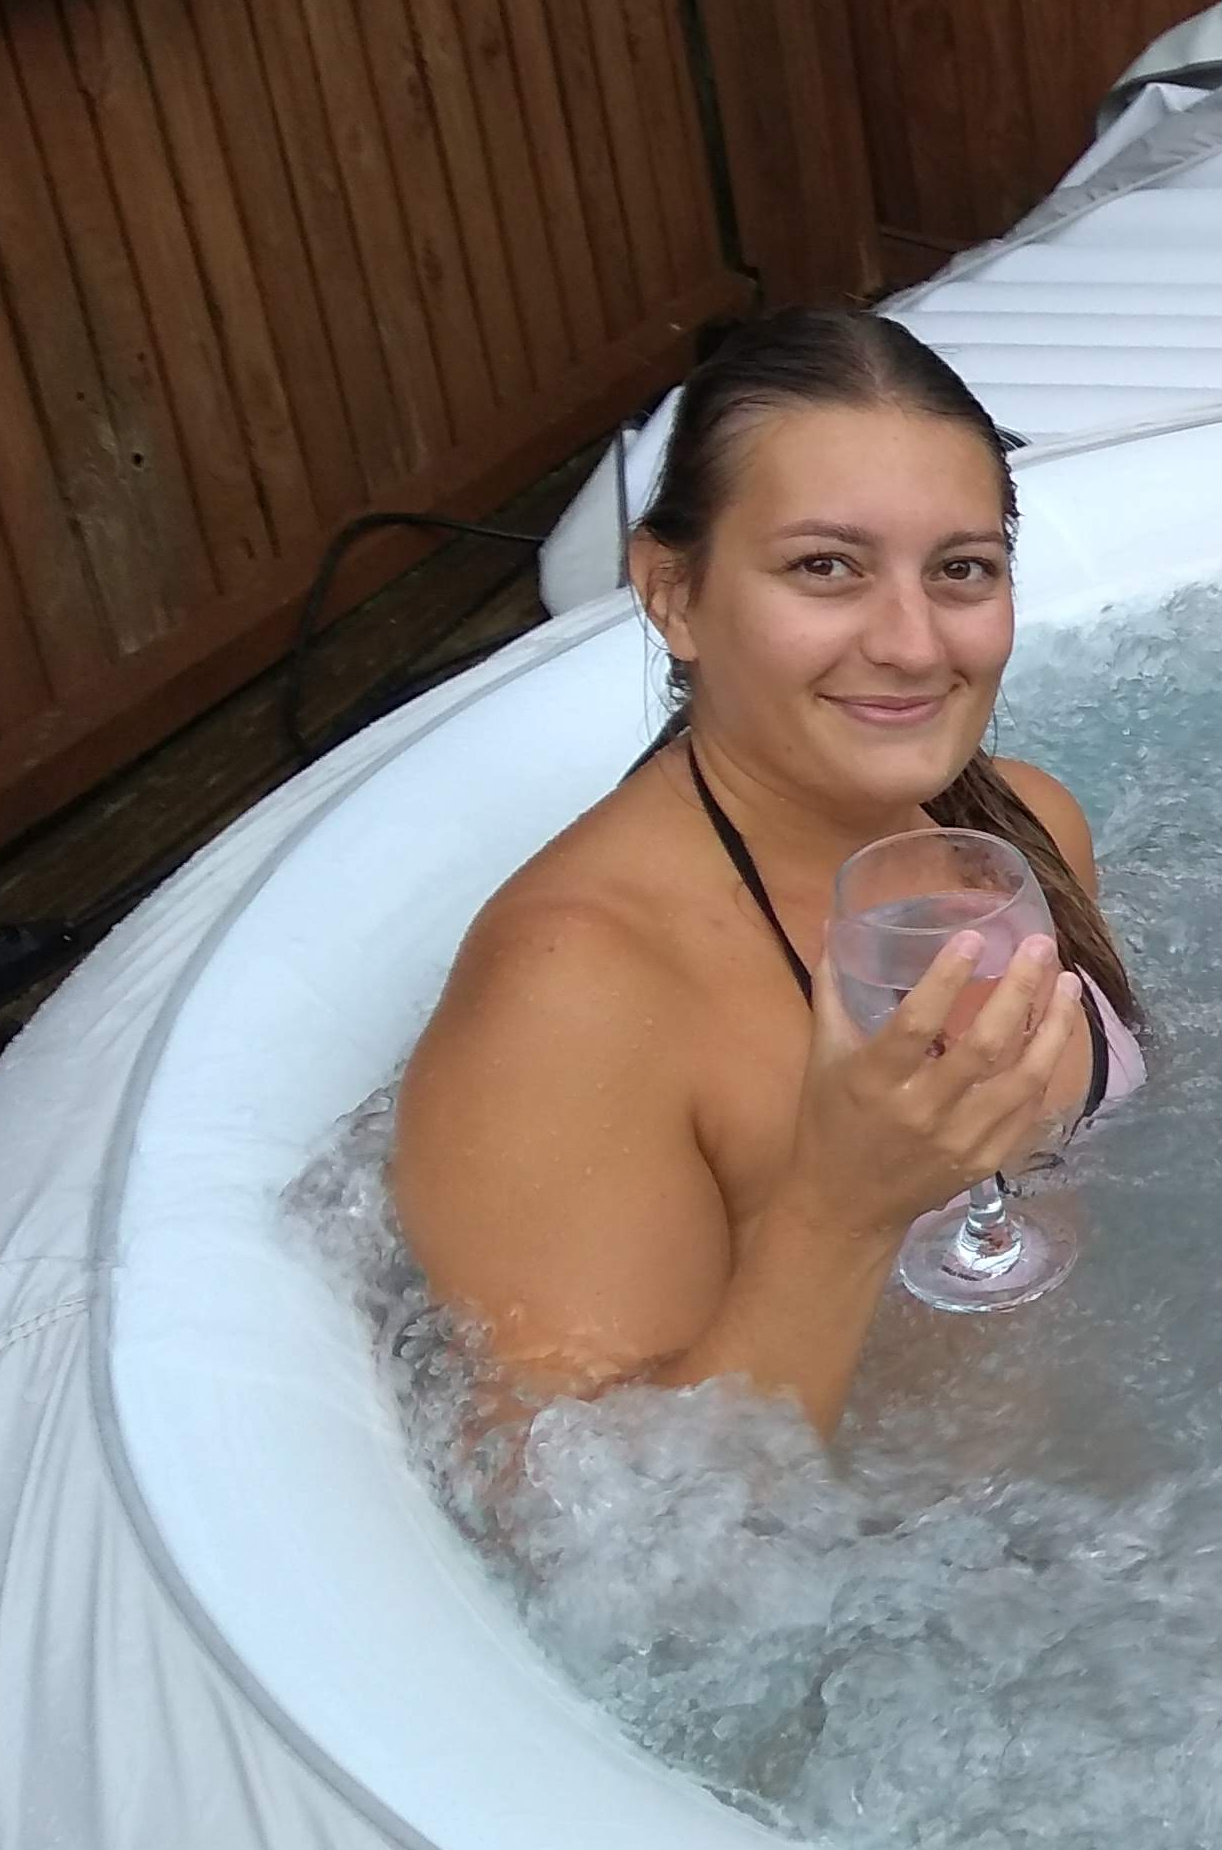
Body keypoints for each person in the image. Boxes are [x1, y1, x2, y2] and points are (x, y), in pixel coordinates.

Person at [395, 308, 1146, 1439]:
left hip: (1114, 1470)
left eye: (961, 570)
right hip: (903, 1580)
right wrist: (839, 1212)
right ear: (673, 593)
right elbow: (608, 1558)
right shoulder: (574, 989)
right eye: (825, 567)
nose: (911, 640)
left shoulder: (1026, 830)